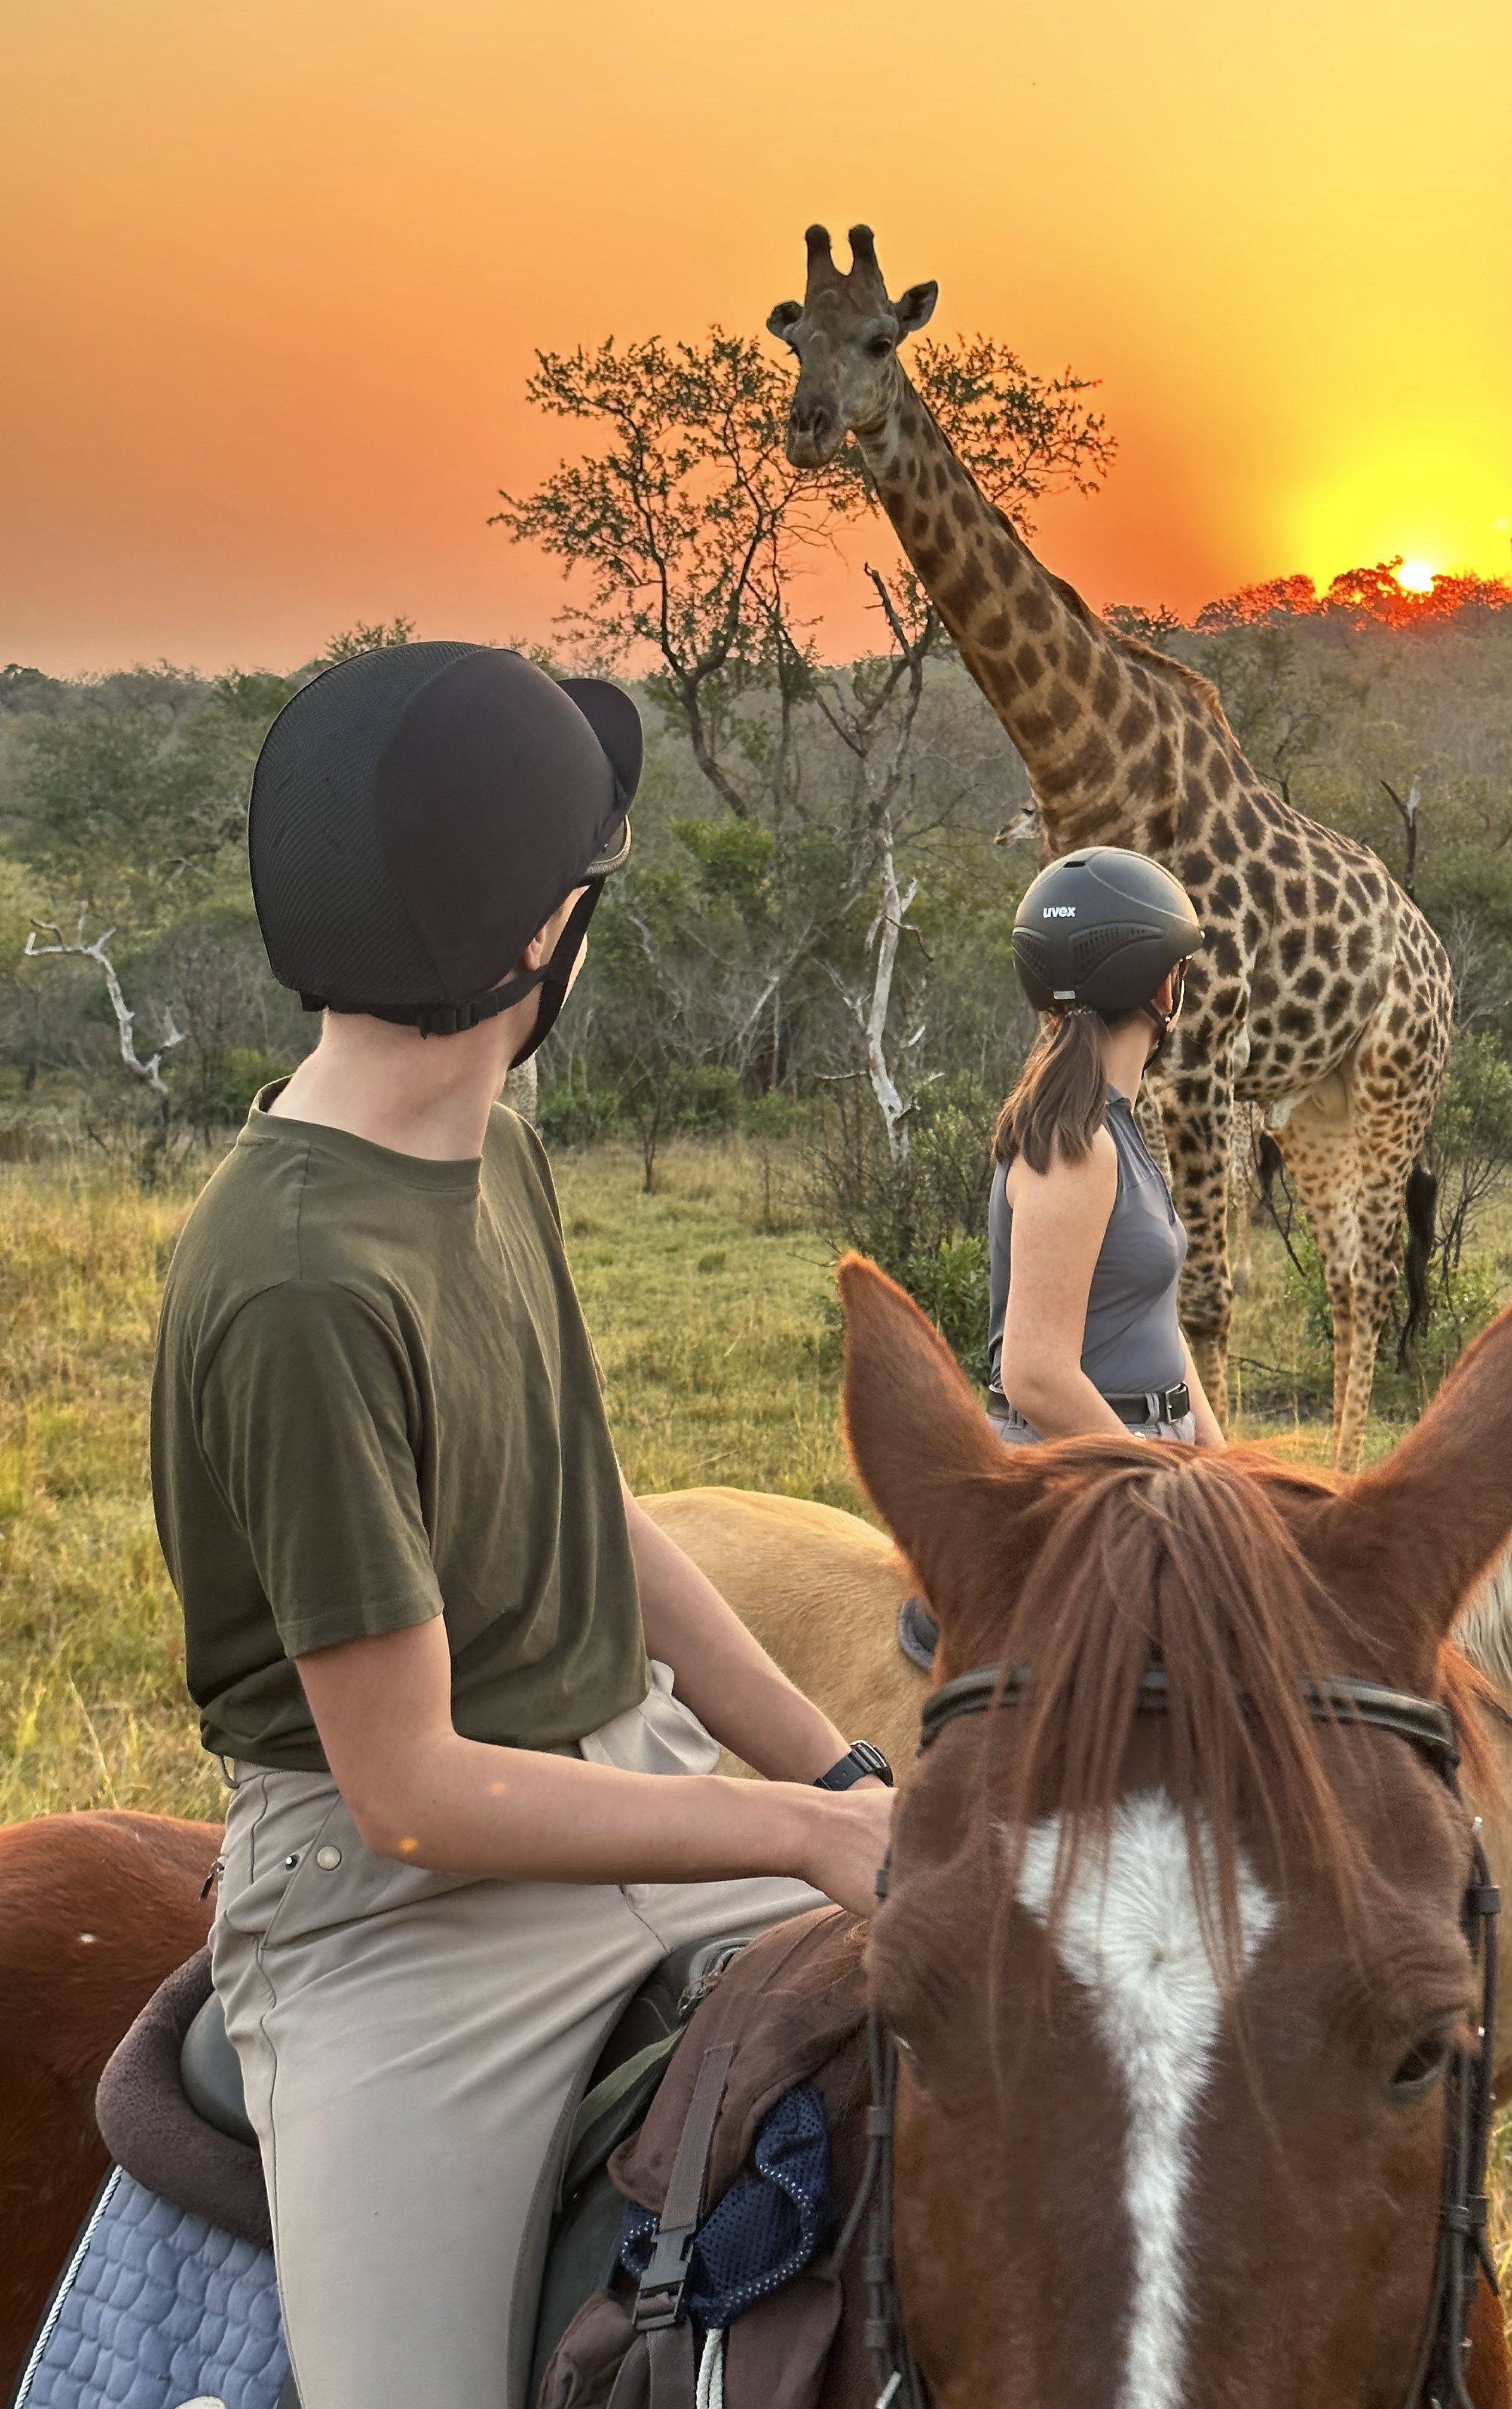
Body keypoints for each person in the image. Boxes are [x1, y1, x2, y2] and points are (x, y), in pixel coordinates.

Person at [149, 642, 895, 2409]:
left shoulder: (496, 1153)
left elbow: (593, 1507)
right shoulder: (303, 1283)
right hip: (402, 1922)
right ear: (546, 934)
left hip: (636, 1782)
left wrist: (846, 1777)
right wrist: (793, 1827)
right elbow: (410, 1788)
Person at [987, 846, 1228, 1449]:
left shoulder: (1109, 1127)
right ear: (1165, 991)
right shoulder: (1077, 1145)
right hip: (1090, 1469)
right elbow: (1036, 1376)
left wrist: (1216, 1463)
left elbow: (1150, 1319)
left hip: (1137, 1451)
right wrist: (1153, 1478)